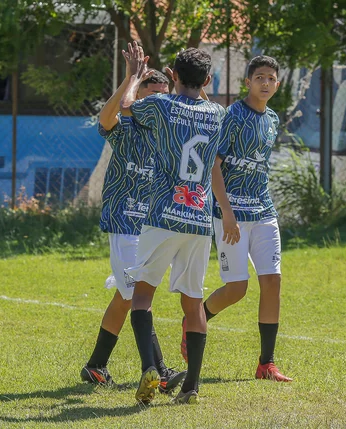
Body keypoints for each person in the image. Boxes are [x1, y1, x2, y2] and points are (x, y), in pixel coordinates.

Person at [120, 46, 239, 404]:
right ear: (206, 81)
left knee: (142, 294)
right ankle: (191, 387)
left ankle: (148, 369)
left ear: (172, 76)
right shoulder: (218, 113)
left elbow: (127, 107)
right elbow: (202, 100)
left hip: (161, 213)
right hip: (199, 219)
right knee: (193, 303)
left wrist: (135, 77)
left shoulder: (161, 105)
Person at [80, 42, 186, 395]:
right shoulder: (127, 128)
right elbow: (105, 119)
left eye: (164, 96)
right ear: (137, 97)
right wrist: (130, 78)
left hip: (154, 225)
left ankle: (96, 366)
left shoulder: (167, 136)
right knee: (137, 294)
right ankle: (159, 369)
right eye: (151, 94)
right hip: (125, 222)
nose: (159, 103)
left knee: (127, 298)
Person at [181, 55, 293, 383]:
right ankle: (194, 321)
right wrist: (226, 211)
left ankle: (266, 364)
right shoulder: (232, 116)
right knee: (237, 288)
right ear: (247, 82)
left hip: (263, 210)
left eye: (271, 78)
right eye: (259, 77)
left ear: (277, 84)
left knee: (272, 281)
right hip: (231, 213)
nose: (266, 83)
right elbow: (213, 165)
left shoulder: (272, 118)